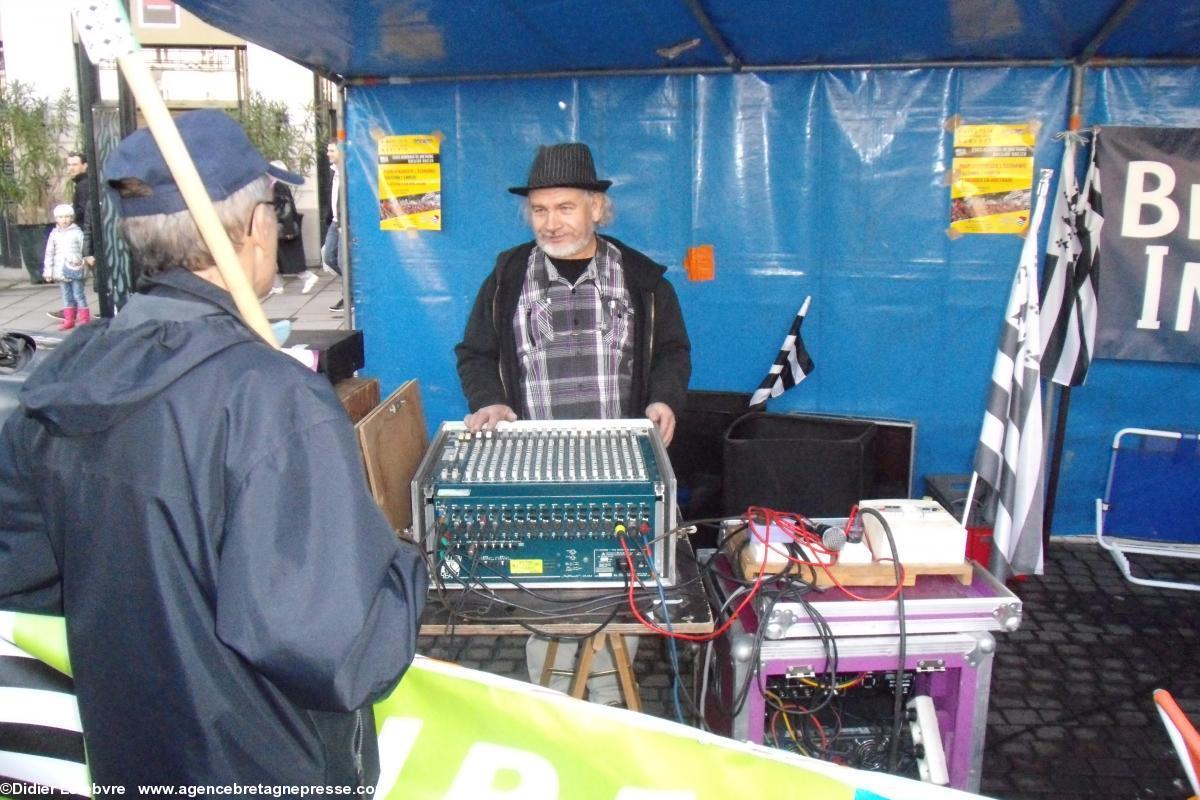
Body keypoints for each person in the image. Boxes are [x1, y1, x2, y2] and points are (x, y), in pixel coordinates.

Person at [0, 110, 428, 791]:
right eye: (275, 212)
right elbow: (340, 652)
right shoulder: (274, 401)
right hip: (267, 766)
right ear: (255, 228)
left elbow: (20, 566)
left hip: (132, 758)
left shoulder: (65, 376)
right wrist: (402, 562)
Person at [454, 141, 691, 704]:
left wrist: (664, 399)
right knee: (543, 585)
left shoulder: (642, 280)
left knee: (614, 588)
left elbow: (673, 354)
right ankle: (552, 707)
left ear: (596, 210)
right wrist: (490, 401)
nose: (551, 222)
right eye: (540, 210)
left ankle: (608, 711)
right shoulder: (509, 275)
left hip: (619, 468)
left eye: (565, 208)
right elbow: (476, 353)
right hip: (536, 467)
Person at [47, 153, 98, 321]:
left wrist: (70, 219)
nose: (71, 168)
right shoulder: (82, 183)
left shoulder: (84, 185)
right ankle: (73, 309)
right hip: (84, 232)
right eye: (69, 164)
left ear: (85, 165)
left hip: (83, 234)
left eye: (75, 164)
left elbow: (84, 211)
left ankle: (77, 310)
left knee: (77, 276)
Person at [266, 159, 318, 295]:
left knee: (287, 257)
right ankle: (277, 285)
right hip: (279, 226)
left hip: (283, 226)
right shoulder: (275, 185)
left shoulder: (279, 186)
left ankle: (307, 277)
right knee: (277, 256)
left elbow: (286, 208)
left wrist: (288, 228)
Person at [42, 203, 89, 330]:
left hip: (75, 268)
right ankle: (69, 319)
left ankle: (85, 319)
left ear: (72, 218)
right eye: (61, 217)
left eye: (67, 217)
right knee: (66, 295)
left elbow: (84, 250)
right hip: (60, 269)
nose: (64, 220)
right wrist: (48, 271)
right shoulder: (54, 234)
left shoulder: (77, 233)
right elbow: (49, 253)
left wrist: (84, 264)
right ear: (56, 219)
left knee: (78, 294)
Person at [321, 140, 345, 312]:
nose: (328, 154)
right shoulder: (332, 172)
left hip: (345, 222)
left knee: (343, 261)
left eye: (332, 150)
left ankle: (349, 296)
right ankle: (351, 290)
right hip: (335, 221)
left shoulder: (349, 173)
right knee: (329, 257)